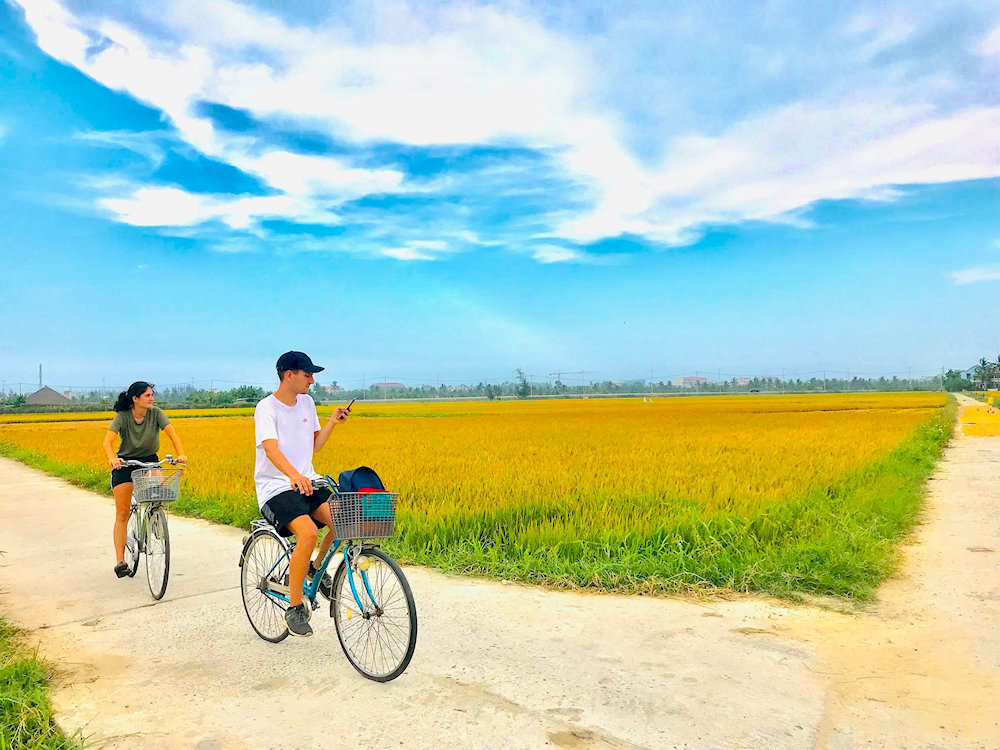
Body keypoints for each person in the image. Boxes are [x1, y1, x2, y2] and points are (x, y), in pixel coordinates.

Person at [254, 351, 350, 636]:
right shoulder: (266, 408)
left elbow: (315, 445)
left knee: (345, 519)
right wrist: (293, 475)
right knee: (307, 533)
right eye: (307, 375)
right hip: (275, 486)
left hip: (307, 480)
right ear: (289, 375)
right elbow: (271, 449)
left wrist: (332, 421)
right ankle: (294, 608)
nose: (312, 380)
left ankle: (315, 568)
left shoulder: (307, 402)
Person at [102, 381, 187, 578]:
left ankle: (155, 518)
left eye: (152, 395)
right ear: (135, 399)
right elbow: (108, 441)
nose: (151, 398)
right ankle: (120, 560)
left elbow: (173, 435)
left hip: (149, 460)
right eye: (147, 395)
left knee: (157, 494)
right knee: (122, 513)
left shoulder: (156, 413)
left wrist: (180, 454)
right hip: (125, 463)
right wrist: (112, 458)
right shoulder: (123, 417)